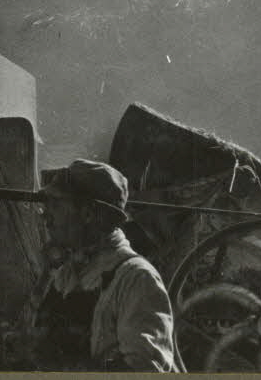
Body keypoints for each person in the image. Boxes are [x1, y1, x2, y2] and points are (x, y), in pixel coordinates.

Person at [30, 159, 179, 371]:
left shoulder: (136, 279)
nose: (46, 215)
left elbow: (144, 370)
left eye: (56, 205)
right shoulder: (66, 273)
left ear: (89, 214)